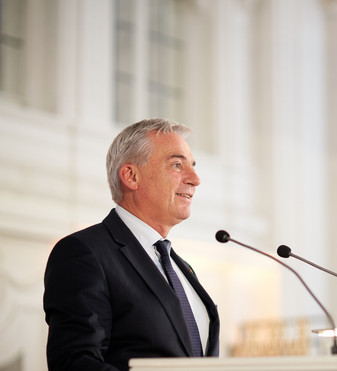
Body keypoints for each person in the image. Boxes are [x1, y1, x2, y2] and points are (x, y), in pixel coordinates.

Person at [43, 118, 219, 371]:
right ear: (131, 176)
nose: (195, 179)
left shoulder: (183, 269)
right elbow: (75, 362)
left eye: (192, 166)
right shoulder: (84, 253)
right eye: (177, 165)